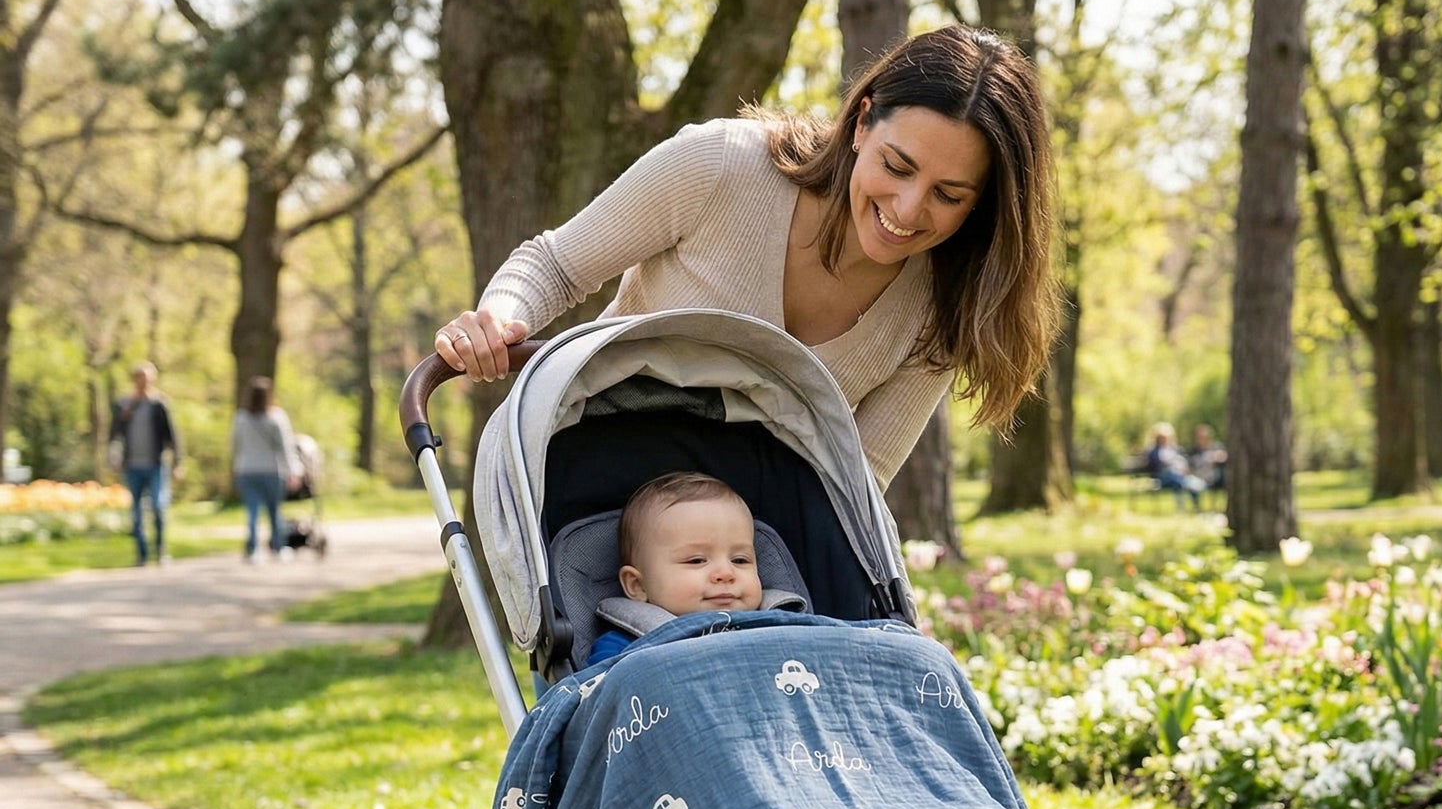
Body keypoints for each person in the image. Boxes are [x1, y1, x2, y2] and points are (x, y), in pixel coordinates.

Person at [434, 24, 1060, 491]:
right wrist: (499, 318)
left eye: (949, 196)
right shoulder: (723, 167)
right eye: (897, 166)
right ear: (863, 122)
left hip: (754, 551)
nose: (908, 208)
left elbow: (857, 482)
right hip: (597, 487)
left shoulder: (945, 303)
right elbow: (555, 265)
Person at [586, 473, 770, 666]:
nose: (725, 573)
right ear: (638, 585)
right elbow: (603, 693)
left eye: (740, 560)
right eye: (697, 560)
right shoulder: (623, 647)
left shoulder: (783, 624)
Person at [108, 362, 180, 565]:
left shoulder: (159, 404)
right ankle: (141, 554)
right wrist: (112, 457)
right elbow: (114, 434)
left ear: (152, 380)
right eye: (139, 378)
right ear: (134, 380)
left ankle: (160, 549)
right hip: (132, 465)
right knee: (136, 511)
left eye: (146, 378)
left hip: (156, 464)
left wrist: (178, 462)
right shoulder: (124, 404)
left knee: (158, 506)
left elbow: (172, 434)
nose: (143, 382)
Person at [231, 377, 298, 561]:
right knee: (274, 512)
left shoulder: (241, 418)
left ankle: (254, 550)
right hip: (271, 471)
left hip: (246, 470)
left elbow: (235, 445)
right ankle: (279, 547)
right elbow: (286, 446)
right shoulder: (276, 417)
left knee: (252, 513)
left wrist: (235, 468)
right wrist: (293, 471)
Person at [1141, 422, 1206, 510]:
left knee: (1182, 482)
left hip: (1178, 475)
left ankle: (1196, 506)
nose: (1164, 440)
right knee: (1177, 480)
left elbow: (1183, 462)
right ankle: (1182, 503)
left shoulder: (1175, 449)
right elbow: (1153, 466)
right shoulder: (1154, 451)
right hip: (1162, 477)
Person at [1189, 422, 1226, 492]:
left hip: (1214, 476)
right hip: (1199, 477)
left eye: (1204, 437)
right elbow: (1190, 467)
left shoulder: (1216, 446)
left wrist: (1216, 457)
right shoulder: (1193, 450)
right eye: (1199, 437)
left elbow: (1224, 457)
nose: (1202, 439)